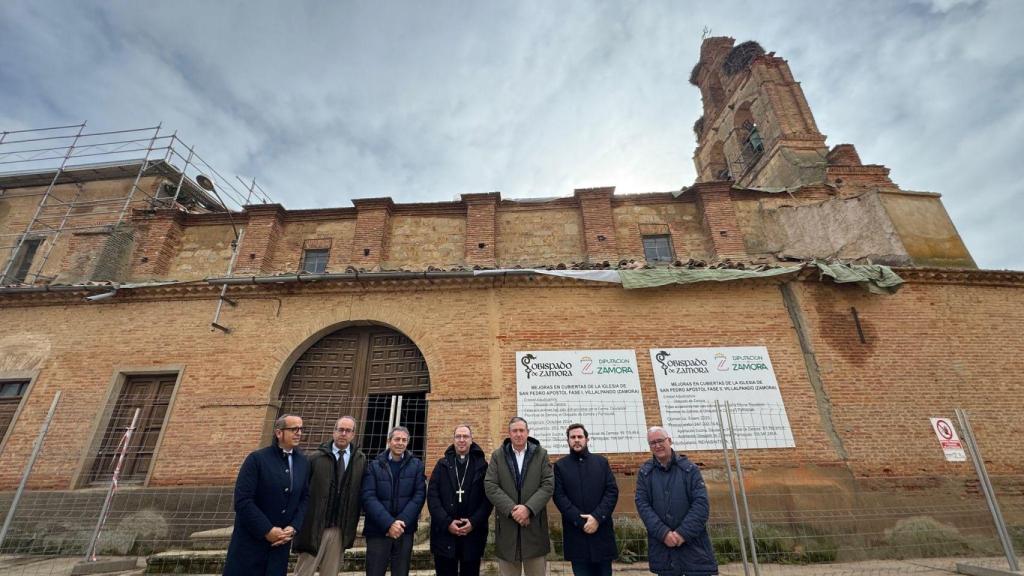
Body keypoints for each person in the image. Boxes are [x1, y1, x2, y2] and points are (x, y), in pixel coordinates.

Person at [223, 414, 309, 576]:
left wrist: (293, 527)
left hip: (280, 545)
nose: (298, 433)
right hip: (250, 544)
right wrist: (267, 530)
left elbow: (304, 497)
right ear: (278, 433)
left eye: (301, 429)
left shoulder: (303, 462)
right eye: (293, 429)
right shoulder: (257, 459)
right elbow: (243, 500)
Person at [635, 427, 718, 576]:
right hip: (663, 550)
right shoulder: (645, 473)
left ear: (670, 441)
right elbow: (642, 505)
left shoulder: (690, 469)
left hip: (694, 549)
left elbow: (701, 505)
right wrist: (664, 533)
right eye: (652, 443)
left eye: (660, 440)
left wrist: (681, 534)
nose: (657, 445)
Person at [293, 415, 367, 576]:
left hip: (340, 528)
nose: (343, 434)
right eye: (340, 429)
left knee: (331, 572)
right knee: (304, 571)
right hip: (315, 525)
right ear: (334, 432)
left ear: (353, 434)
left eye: (348, 431)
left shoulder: (360, 460)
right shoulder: (315, 458)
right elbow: (302, 492)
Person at [484, 416, 554, 576]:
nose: (518, 434)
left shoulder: (541, 455)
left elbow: (548, 484)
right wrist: (513, 510)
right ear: (509, 434)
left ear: (528, 433)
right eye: (514, 431)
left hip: (534, 528)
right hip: (508, 529)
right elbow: (490, 485)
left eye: (522, 430)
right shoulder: (498, 456)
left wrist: (528, 509)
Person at [553, 423, 619, 576]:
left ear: (587, 439)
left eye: (580, 437)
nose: (576, 440)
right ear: (568, 441)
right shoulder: (560, 466)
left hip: (601, 532)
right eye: (573, 437)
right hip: (576, 534)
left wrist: (596, 518)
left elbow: (611, 491)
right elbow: (559, 496)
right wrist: (580, 520)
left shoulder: (601, 463)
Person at [427, 424, 493, 576]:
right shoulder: (441, 465)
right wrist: (446, 522)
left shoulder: (482, 466)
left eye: (465, 437)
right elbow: (432, 496)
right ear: (453, 440)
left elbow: (488, 499)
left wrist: (474, 522)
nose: (462, 440)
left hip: (472, 533)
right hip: (445, 534)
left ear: (471, 440)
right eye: (458, 437)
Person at [361, 425, 426, 576]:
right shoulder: (374, 466)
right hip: (378, 530)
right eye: (397, 439)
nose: (400, 443)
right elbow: (368, 496)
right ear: (389, 441)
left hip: (404, 529)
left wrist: (401, 521)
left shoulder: (416, 466)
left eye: (404, 440)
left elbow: (419, 495)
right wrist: (389, 523)